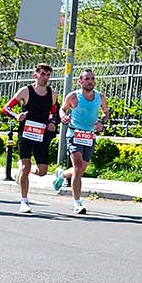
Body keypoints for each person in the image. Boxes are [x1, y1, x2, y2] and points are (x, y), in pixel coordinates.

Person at [1, 63, 60, 213]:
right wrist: (16, 116)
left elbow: (53, 112)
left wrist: (52, 122)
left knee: (42, 171)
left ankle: (20, 171)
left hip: (41, 134)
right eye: (42, 74)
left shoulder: (52, 94)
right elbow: (6, 108)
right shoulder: (25, 91)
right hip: (26, 133)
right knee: (26, 166)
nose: (45, 78)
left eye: (48, 75)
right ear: (35, 75)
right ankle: (24, 200)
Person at [55, 69, 108, 215]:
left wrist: (101, 122)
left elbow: (105, 113)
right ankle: (77, 203)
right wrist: (63, 117)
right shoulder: (73, 96)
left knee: (81, 170)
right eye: (87, 79)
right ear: (80, 81)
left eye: (92, 78)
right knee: (78, 168)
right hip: (74, 134)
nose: (90, 81)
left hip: (89, 136)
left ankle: (62, 175)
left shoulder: (100, 97)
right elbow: (62, 109)